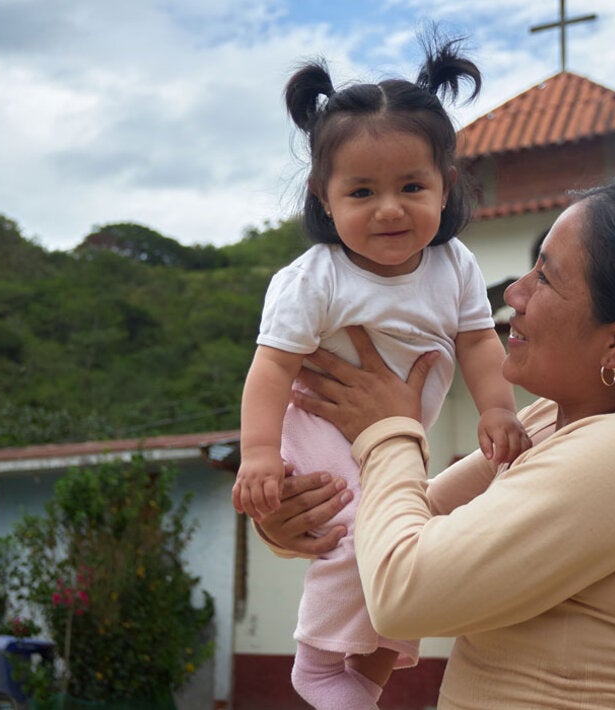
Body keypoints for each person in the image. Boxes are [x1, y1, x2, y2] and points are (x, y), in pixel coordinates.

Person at [258, 178, 615, 709]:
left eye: (545, 277)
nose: (514, 294)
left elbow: (404, 590)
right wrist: (295, 522)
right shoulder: (555, 420)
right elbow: (406, 516)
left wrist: (386, 431)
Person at [230, 36, 532, 710]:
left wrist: (497, 410)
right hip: (320, 430)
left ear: (446, 186)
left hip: (390, 440)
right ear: (323, 196)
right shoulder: (314, 279)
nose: (390, 208)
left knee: (401, 536)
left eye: (411, 187)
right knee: (362, 538)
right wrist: (257, 454)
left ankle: (364, 675)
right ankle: (316, 660)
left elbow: (482, 345)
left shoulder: (454, 266)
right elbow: (271, 370)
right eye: (362, 191)